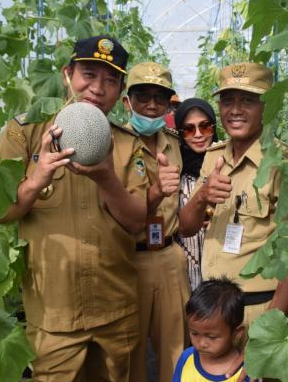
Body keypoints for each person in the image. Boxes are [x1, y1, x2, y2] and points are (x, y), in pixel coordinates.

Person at [0, 35, 147, 381]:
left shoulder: (126, 143)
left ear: (121, 90)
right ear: (67, 74)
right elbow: (1, 211)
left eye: (111, 80)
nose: (98, 88)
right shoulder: (25, 132)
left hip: (116, 311)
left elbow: (138, 221)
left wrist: (108, 179)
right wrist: (37, 178)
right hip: (53, 318)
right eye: (89, 75)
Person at [179, 62, 288, 327]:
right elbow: (186, 228)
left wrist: (268, 328)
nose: (235, 110)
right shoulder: (213, 157)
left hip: (256, 309)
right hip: (211, 310)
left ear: (267, 105)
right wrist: (202, 196)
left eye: (248, 101)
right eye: (227, 100)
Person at [122, 62, 191, 382]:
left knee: (175, 347)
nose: (151, 105)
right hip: (127, 257)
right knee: (128, 351)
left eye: (160, 98)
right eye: (143, 97)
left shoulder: (174, 142)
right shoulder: (113, 144)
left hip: (168, 254)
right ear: (127, 101)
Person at [173, 98, 219, 291]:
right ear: (180, 134)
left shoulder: (228, 166)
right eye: (189, 129)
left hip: (221, 272)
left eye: (205, 127)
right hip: (184, 275)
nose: (198, 135)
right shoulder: (174, 170)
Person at [172, 277, 249, 382]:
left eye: (212, 337)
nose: (202, 343)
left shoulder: (246, 372)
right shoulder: (186, 358)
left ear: (237, 333)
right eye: (194, 333)